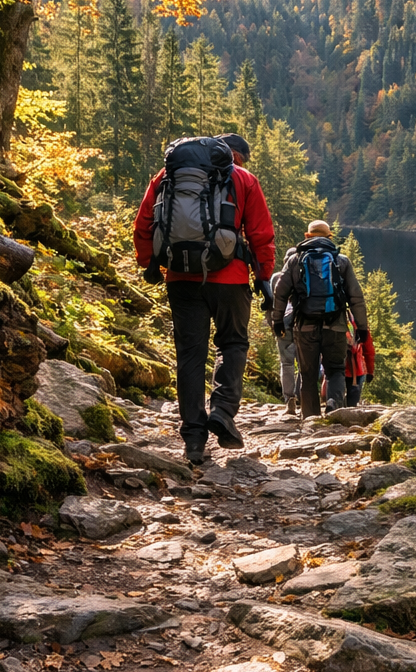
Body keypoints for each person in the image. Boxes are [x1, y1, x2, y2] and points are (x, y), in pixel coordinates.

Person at [134, 133, 276, 463]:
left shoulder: (167, 176)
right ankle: (223, 411)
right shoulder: (243, 179)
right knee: (232, 343)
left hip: (181, 278)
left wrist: (150, 264)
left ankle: (194, 440)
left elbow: (144, 222)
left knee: (190, 353)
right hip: (231, 277)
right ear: (231, 155)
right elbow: (260, 234)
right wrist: (264, 278)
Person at [271, 220, 367, 418]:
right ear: (329, 237)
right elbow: (356, 297)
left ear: (307, 236)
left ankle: (310, 417)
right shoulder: (342, 261)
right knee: (336, 370)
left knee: (307, 374)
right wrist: (362, 328)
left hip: (304, 327)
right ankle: (334, 407)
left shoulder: (295, 260)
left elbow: (280, 293)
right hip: (336, 326)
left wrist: (278, 321)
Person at [344, 313, 375, 407]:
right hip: (357, 370)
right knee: (352, 403)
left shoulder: (333, 324)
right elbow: (369, 351)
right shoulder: (361, 327)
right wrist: (370, 371)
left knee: (336, 398)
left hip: (338, 368)